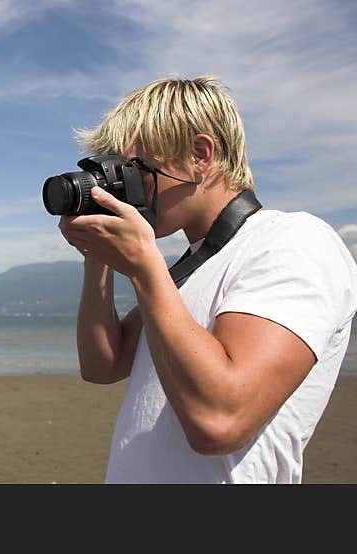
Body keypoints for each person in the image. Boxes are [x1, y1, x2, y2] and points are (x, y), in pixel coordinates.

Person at [58, 76, 357, 483]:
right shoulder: (191, 265)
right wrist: (98, 258)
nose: (127, 191)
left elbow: (220, 422)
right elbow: (103, 365)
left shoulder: (292, 241)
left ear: (200, 155)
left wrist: (145, 268)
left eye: (135, 171)